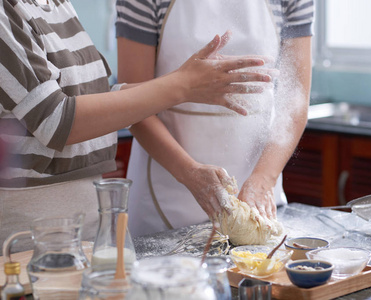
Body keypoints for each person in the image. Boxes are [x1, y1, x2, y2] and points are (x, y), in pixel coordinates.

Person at [0, 0, 273, 253]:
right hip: (34, 235)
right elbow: (55, 119)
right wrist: (181, 85)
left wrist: (192, 87)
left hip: (90, 226)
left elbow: (101, 97)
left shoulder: (57, 4)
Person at [115, 0, 314, 237]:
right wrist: (189, 173)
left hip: (257, 200)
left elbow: (294, 102)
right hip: (164, 202)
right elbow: (132, 104)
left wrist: (263, 179)